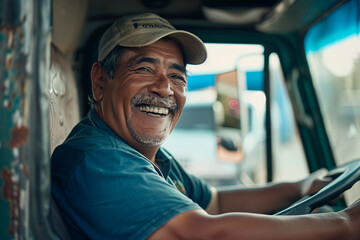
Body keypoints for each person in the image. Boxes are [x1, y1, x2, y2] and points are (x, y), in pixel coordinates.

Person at [51, 12, 360, 240]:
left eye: (177, 76)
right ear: (99, 81)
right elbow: (205, 234)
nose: (164, 88)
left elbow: (216, 202)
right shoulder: (99, 160)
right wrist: (347, 223)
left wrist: (301, 188)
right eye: (144, 68)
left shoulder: (147, 157)